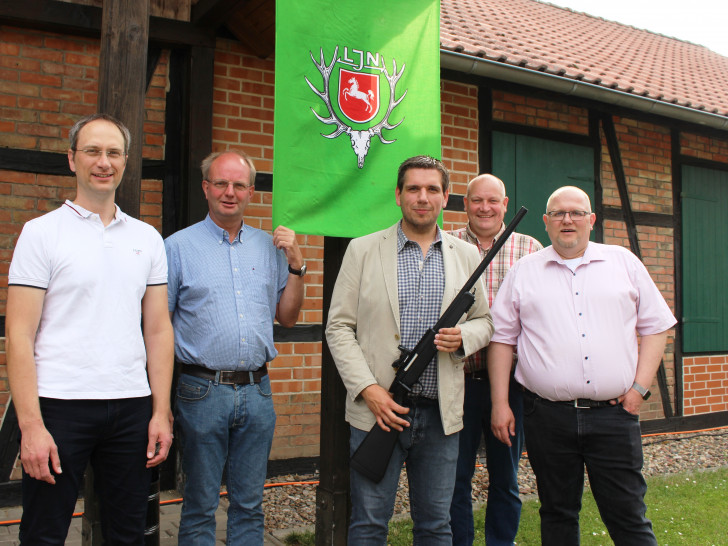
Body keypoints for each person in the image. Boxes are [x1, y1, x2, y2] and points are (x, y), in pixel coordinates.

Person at [6, 113, 174, 544]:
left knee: (129, 533)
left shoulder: (147, 238)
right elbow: (20, 335)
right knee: (43, 534)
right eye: (93, 151)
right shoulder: (41, 234)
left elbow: (157, 330)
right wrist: (31, 426)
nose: (104, 162)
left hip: (131, 406)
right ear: (72, 160)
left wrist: (160, 411)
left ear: (125, 161)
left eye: (114, 152)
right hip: (61, 406)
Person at [488, 186, 676, 545]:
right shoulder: (523, 272)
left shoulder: (623, 263)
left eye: (576, 212)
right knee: (557, 513)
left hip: (613, 416)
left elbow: (657, 326)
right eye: (558, 213)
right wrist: (500, 404)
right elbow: (502, 340)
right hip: (548, 418)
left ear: (591, 220)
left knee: (628, 516)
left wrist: (639, 389)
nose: (567, 220)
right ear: (546, 222)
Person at [326, 155, 493, 544]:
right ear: (398, 195)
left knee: (436, 525)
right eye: (413, 189)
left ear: (446, 197)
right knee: (368, 524)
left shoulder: (467, 256)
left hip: (440, 415)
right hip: (378, 411)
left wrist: (464, 339)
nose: (423, 197)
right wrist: (369, 391)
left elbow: (485, 322)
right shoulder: (363, 250)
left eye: (432, 189)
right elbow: (338, 327)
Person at [165, 150, 305, 544]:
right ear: (206, 188)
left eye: (239, 184)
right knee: (199, 504)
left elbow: (289, 317)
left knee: (249, 503)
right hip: (201, 390)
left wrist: (296, 265)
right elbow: (159, 325)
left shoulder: (268, 247)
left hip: (258, 391)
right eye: (222, 183)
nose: (230, 192)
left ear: (251, 192)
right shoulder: (177, 248)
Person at [448, 174, 542, 545]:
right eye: (476, 200)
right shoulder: (447, 243)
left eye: (493, 201)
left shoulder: (530, 248)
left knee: (506, 477)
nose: (484, 208)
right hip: (458, 380)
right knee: (455, 475)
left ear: (505, 204)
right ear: (465, 203)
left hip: (512, 386)